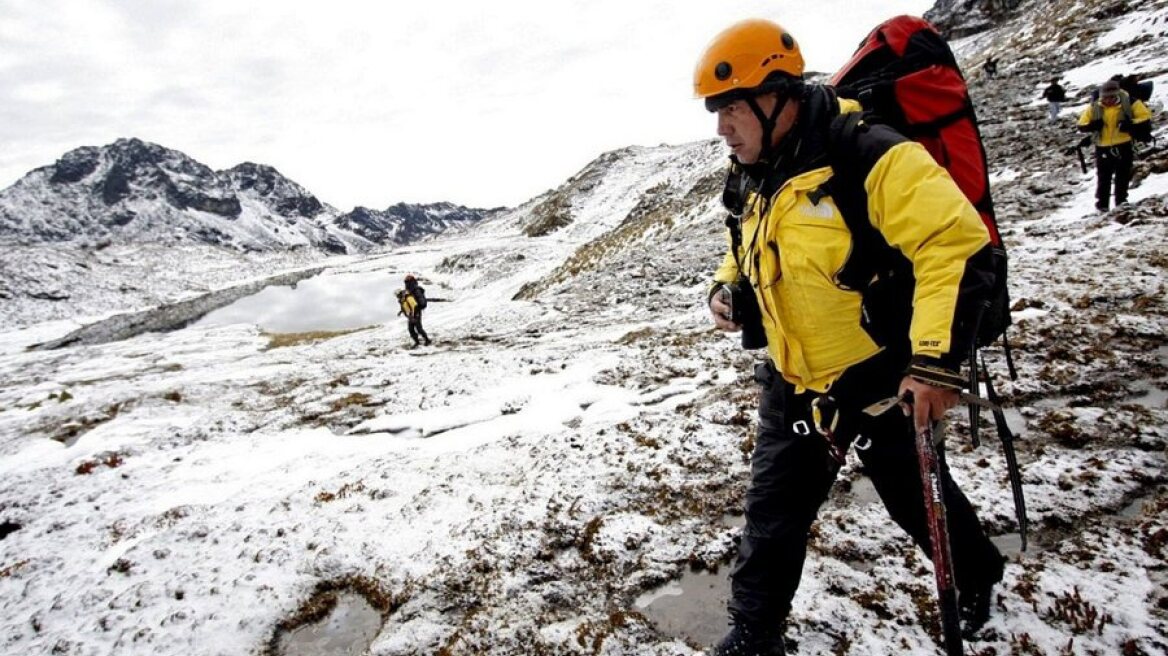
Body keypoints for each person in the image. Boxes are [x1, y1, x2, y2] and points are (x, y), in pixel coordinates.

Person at [692, 19, 1005, 655]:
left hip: (878, 378)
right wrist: (727, 290)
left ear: (775, 95)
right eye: (716, 112)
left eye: (730, 109)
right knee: (773, 514)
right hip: (792, 377)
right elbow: (744, 248)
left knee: (916, 499)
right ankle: (755, 635)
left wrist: (936, 366)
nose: (722, 127)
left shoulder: (870, 154)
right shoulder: (752, 173)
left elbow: (956, 244)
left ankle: (975, 579)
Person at [1078, 78, 1153, 211]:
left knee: (1122, 175)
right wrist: (1092, 126)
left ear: (1117, 95)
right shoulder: (1095, 106)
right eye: (1105, 98)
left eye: (1111, 97)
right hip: (1102, 146)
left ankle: (1121, 201)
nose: (1108, 100)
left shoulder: (1130, 103)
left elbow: (1145, 116)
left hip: (1124, 144)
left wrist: (1131, 123)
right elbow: (1082, 124)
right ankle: (1102, 205)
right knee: (1103, 177)